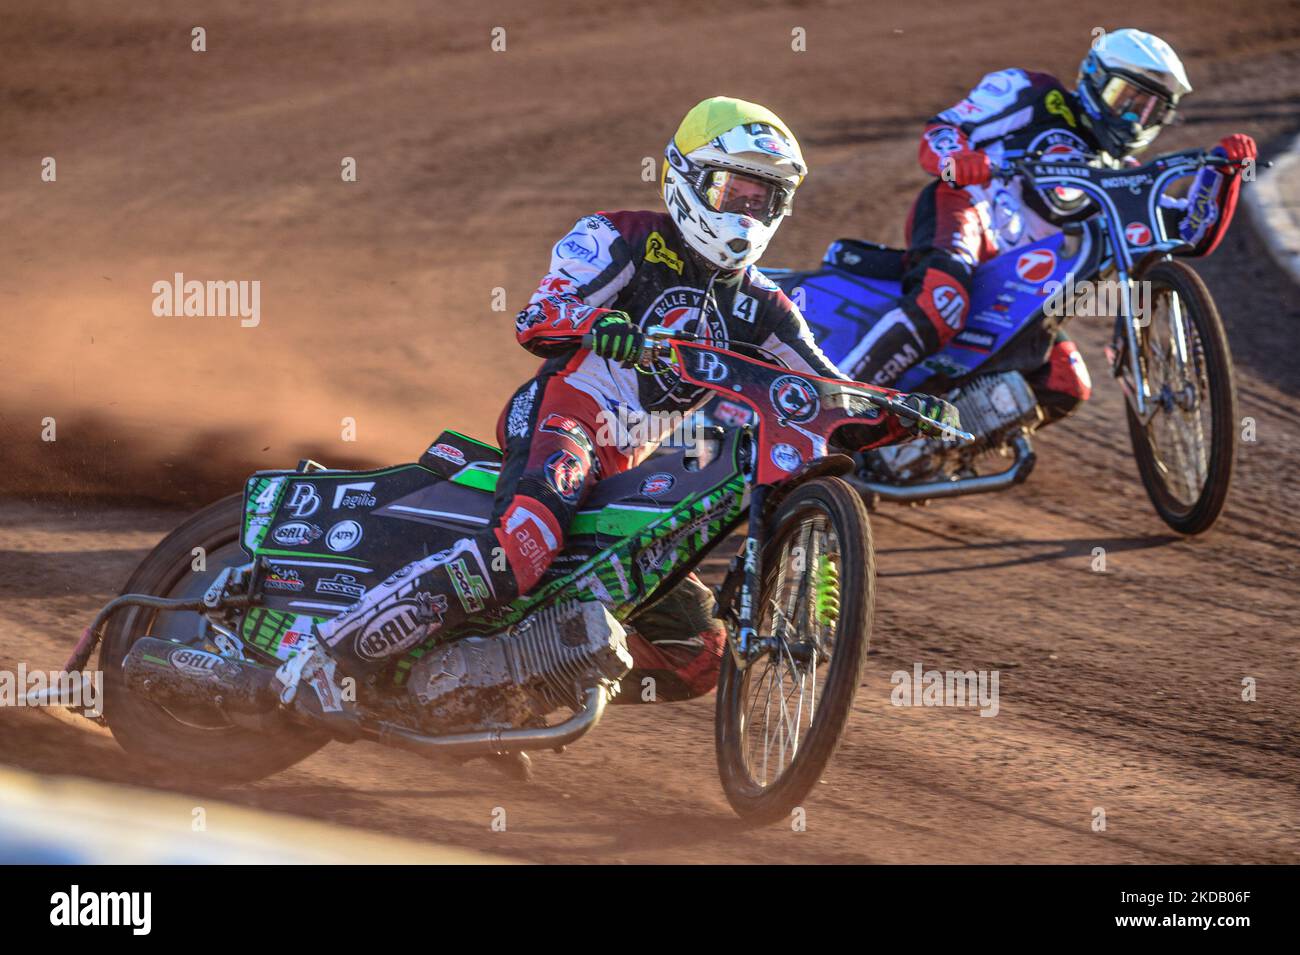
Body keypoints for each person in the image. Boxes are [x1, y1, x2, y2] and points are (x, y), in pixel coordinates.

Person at [319, 96, 956, 700]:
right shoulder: (619, 237)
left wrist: (901, 411)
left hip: (633, 467)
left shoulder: (765, 307)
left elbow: (825, 390)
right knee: (525, 545)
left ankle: (500, 689)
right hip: (566, 417)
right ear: (685, 177)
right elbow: (535, 319)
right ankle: (330, 657)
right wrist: (597, 325)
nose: (744, 211)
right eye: (732, 190)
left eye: (764, 199)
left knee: (699, 654)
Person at [837, 28, 1257, 422]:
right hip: (970, 213)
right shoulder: (1033, 94)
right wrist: (959, 161)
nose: (1133, 119)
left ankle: (921, 451)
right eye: (1126, 99)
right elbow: (943, 130)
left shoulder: (1123, 177)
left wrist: (1223, 176)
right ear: (1094, 79)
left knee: (1066, 383)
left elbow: (1189, 233)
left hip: (1022, 289)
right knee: (942, 303)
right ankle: (835, 407)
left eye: (1151, 111)